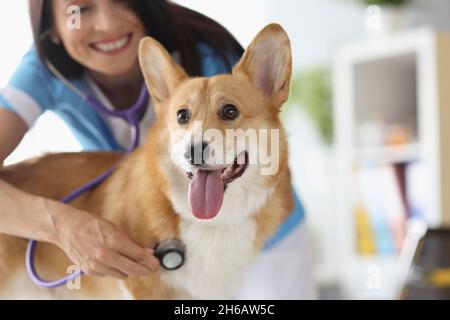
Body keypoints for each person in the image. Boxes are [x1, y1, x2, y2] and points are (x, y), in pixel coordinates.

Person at [0, 0, 315, 298]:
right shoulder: (42, 70)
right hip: (152, 228)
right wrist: (61, 225)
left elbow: (270, 157)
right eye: (81, 9)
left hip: (266, 236)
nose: (108, 23)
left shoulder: (208, 56)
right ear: (51, 27)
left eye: (123, 0)